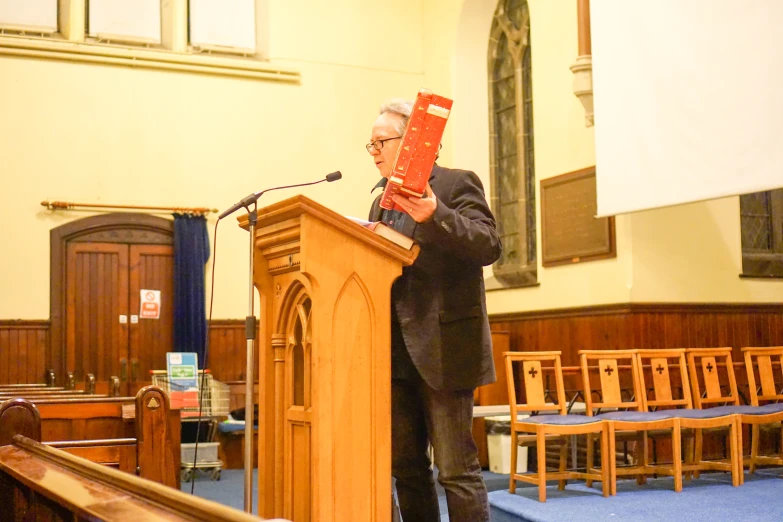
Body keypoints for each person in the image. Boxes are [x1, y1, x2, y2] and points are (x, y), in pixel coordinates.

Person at [366, 99, 502, 522]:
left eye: (380, 142)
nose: (374, 152)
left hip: (445, 348)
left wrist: (437, 214)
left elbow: (488, 245)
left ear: (413, 144)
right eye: (369, 145)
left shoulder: (457, 184)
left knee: (456, 470)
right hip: (393, 353)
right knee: (406, 467)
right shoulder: (381, 203)